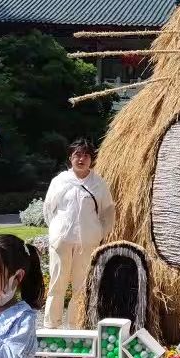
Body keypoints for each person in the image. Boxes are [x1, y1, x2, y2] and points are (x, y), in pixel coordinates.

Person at [42, 140, 114, 329]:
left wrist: (98, 234)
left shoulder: (98, 184)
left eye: (86, 155)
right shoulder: (59, 181)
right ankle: (52, 325)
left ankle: (76, 326)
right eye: (77, 155)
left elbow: (108, 212)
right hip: (62, 241)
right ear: (70, 158)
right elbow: (49, 209)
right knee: (57, 283)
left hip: (87, 242)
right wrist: (57, 231)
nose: (81, 159)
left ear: (91, 159)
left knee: (81, 286)